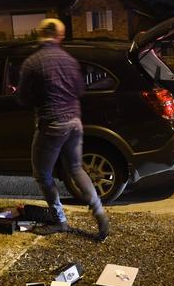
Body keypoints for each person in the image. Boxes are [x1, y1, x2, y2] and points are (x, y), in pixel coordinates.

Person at [18, 18, 109, 240]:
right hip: (75, 122)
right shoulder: (70, 60)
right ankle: (99, 212)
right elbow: (79, 89)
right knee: (76, 168)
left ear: (39, 34)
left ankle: (60, 220)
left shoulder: (32, 62)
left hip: (52, 123)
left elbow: (23, 98)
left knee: (42, 174)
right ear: (60, 36)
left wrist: (40, 98)